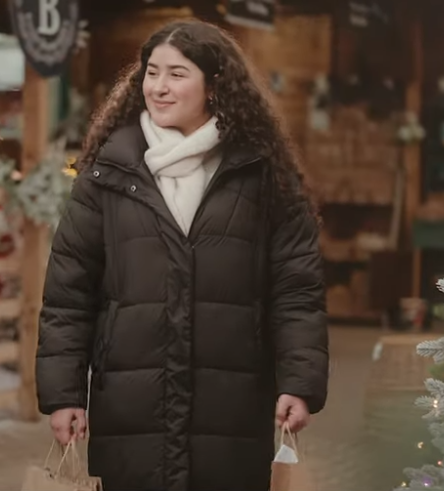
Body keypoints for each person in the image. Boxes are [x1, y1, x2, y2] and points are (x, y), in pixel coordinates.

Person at [36, 19, 328, 491]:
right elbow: (69, 294)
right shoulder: (107, 173)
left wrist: (300, 381)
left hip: (231, 403)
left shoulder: (262, 173)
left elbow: (297, 290)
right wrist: (64, 395)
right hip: (131, 405)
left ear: (214, 85)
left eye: (177, 74)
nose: (159, 87)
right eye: (152, 73)